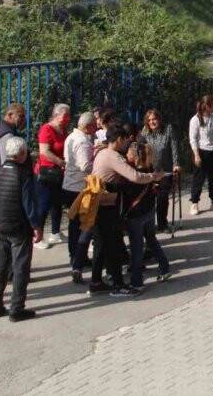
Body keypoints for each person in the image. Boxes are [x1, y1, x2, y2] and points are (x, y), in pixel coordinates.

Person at [94, 122, 166, 295]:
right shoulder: (113, 156)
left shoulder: (102, 153)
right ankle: (117, 285)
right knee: (113, 245)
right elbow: (134, 176)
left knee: (101, 245)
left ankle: (96, 282)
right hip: (107, 206)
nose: (127, 144)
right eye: (126, 140)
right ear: (119, 139)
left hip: (100, 203)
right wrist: (153, 176)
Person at [0, 137, 42, 321]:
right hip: (18, 228)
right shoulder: (24, 175)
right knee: (20, 267)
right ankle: (17, 308)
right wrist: (36, 226)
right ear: (22, 154)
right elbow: (28, 204)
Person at [63, 111, 97, 284]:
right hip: (79, 188)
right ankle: (77, 257)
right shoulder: (82, 141)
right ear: (88, 126)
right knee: (83, 225)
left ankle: (76, 256)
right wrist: (97, 161)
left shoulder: (71, 137)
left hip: (70, 185)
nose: (96, 129)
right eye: (94, 126)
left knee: (74, 224)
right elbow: (85, 166)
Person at [34, 103, 70, 249]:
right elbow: (44, 151)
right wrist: (60, 162)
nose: (67, 118)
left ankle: (55, 232)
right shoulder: (46, 129)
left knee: (57, 203)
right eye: (65, 115)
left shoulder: (63, 130)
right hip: (47, 172)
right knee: (43, 204)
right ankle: (38, 236)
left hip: (59, 172)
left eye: (68, 115)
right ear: (56, 114)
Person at [140, 109, 181, 233]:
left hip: (165, 169)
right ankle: (148, 226)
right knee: (149, 198)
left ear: (159, 119)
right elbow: (140, 150)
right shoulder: (145, 131)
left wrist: (176, 164)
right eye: (149, 120)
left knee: (162, 198)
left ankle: (162, 224)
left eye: (154, 119)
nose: (152, 122)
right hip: (150, 170)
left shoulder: (168, 129)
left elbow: (174, 147)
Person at [188, 95, 213, 216]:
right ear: (207, 106)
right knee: (198, 179)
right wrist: (196, 155)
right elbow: (192, 139)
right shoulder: (195, 120)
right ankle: (194, 203)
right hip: (202, 152)